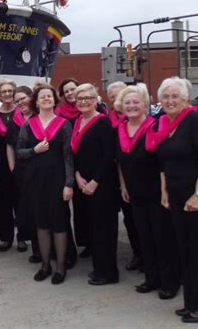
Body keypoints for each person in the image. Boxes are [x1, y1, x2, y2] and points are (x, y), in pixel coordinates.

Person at [147, 77, 198, 322]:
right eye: (165, 96)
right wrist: (165, 192)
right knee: (185, 251)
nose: (169, 100)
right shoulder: (164, 122)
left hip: (197, 197)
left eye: (174, 96)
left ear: (186, 98)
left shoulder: (194, 120)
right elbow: (165, 162)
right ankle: (191, 302)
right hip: (176, 197)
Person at [115, 84, 180, 299]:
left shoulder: (155, 127)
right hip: (135, 192)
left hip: (157, 192)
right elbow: (120, 162)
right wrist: (123, 185)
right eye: (127, 102)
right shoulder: (121, 129)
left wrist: (164, 191)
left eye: (136, 102)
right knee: (145, 236)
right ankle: (151, 278)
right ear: (121, 107)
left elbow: (164, 162)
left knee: (162, 237)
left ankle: (169, 282)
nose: (132, 106)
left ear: (145, 104)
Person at [16, 85, 74, 284]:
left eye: (50, 96)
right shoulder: (29, 124)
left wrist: (69, 183)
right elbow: (19, 152)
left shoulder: (64, 124)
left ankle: (60, 267)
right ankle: (45, 265)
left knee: (59, 223)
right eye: (43, 97)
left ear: (54, 100)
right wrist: (35, 150)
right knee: (41, 223)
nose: (47, 99)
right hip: (36, 180)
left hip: (57, 180)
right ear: (37, 102)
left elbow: (68, 156)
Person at [71, 83, 119, 285]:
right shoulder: (78, 121)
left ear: (95, 100)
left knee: (104, 230)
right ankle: (99, 268)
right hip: (83, 183)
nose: (83, 102)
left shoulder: (102, 123)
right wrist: (78, 176)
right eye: (79, 98)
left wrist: (95, 181)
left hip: (102, 185)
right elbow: (74, 152)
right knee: (94, 228)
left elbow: (109, 155)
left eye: (87, 98)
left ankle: (108, 273)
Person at [107, 80, 142, 272]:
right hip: (118, 177)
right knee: (129, 218)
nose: (117, 99)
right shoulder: (109, 120)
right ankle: (137, 253)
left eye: (120, 95)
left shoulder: (138, 119)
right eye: (113, 97)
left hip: (139, 178)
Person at [0, 79, 26, 252]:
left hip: (23, 162)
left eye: (10, 91)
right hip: (2, 163)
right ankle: (6, 238)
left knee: (21, 201)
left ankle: (23, 237)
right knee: (3, 202)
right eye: (3, 91)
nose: (7, 94)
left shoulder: (23, 113)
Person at [7, 85, 40, 262]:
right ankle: (36, 249)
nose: (20, 103)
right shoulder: (15, 120)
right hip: (22, 171)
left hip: (40, 169)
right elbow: (10, 145)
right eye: (17, 101)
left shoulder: (40, 116)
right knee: (27, 210)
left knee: (43, 210)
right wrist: (13, 167)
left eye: (23, 98)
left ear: (31, 97)